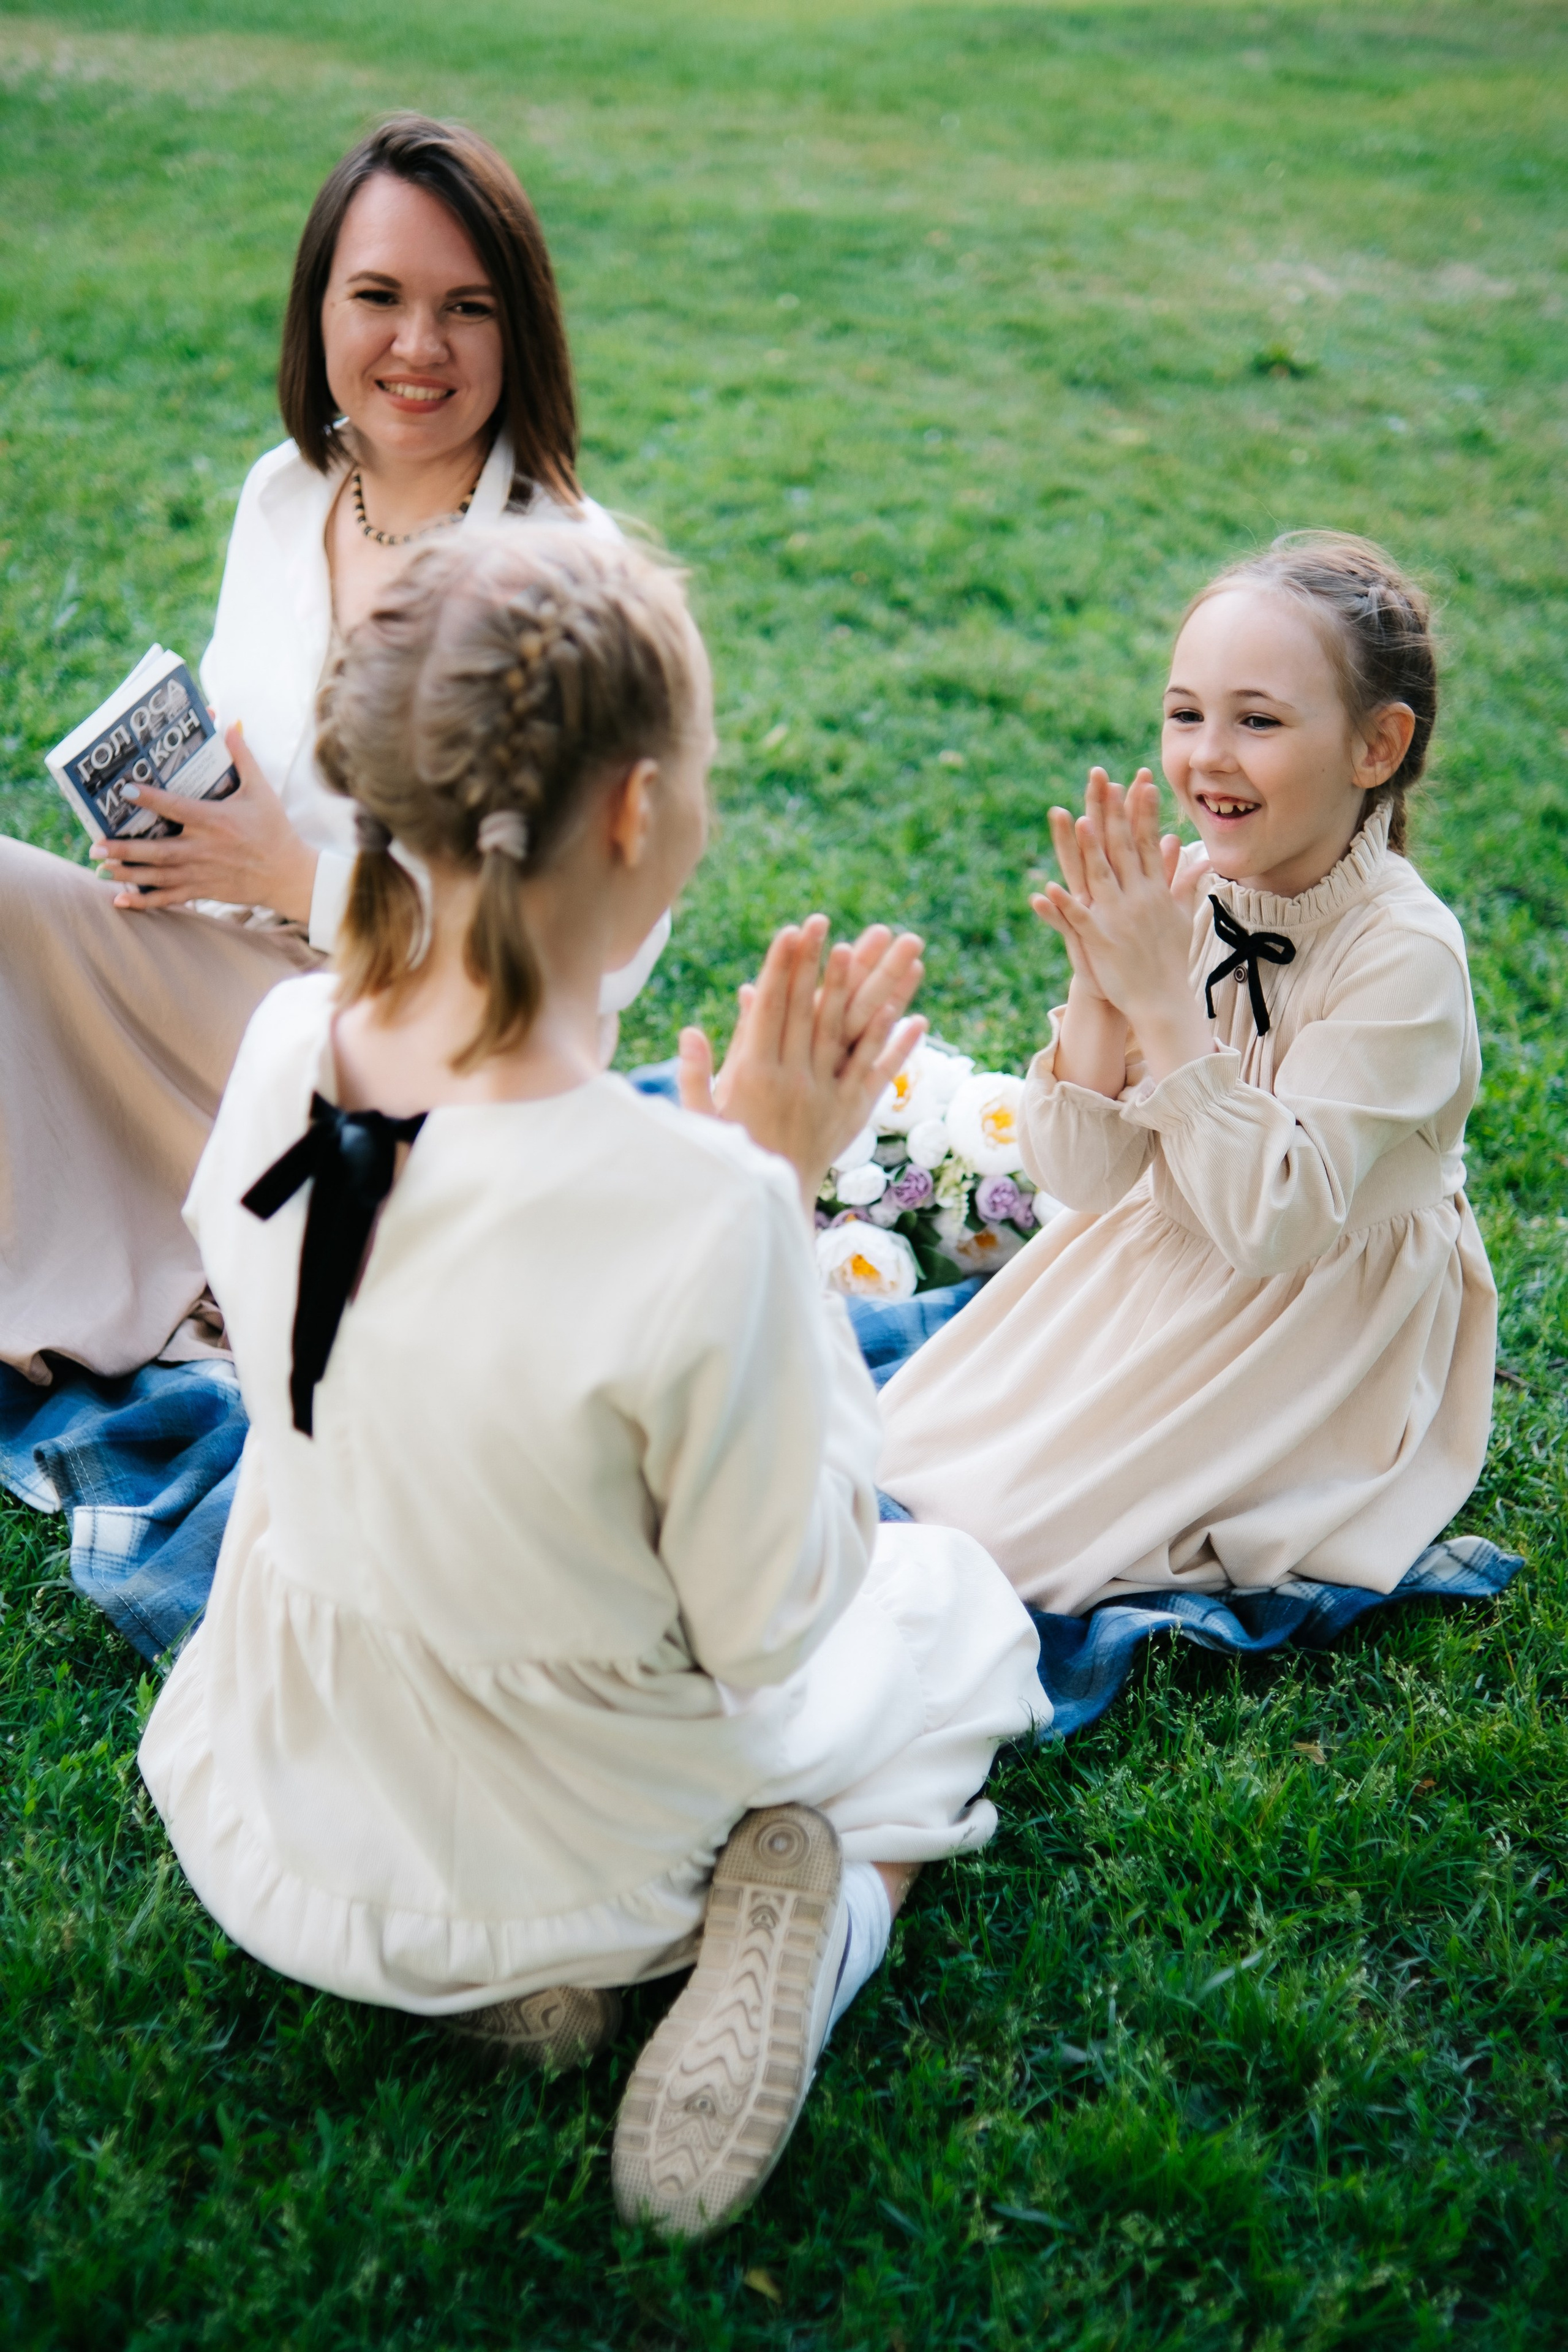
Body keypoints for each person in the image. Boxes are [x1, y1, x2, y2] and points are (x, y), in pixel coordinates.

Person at [137, 526, 1047, 2242]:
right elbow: (771, 1619)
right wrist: (772, 1194)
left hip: (304, 1776)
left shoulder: (284, 1047)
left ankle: (513, 1987)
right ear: (634, 815)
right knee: (959, 1612)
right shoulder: (699, 1219)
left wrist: (723, 1198)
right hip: (584, 1804)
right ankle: (813, 1916)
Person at [0, 114, 649, 1384]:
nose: (417, 347)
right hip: (235, 983)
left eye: (466, 307)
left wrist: (297, 882)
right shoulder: (287, 492)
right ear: (318, 311)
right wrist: (176, 842)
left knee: (299, 1023)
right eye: (378, 297)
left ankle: (252, 1250)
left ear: (520, 332)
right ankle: (159, 1239)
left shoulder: (573, 574)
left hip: (438, 1053)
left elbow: (602, 948)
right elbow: (263, 771)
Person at [878, 532, 1496, 1614]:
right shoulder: (1200, 890)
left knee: (1014, 1539)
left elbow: (1277, 1226)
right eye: (1185, 713)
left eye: (1257, 720)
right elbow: (1084, 1179)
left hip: (1309, 1312)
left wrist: (1166, 1005)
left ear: (1377, 746)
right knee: (903, 1447)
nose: (1208, 755)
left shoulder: (1406, 956)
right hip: (1157, 1251)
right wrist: (1100, 990)